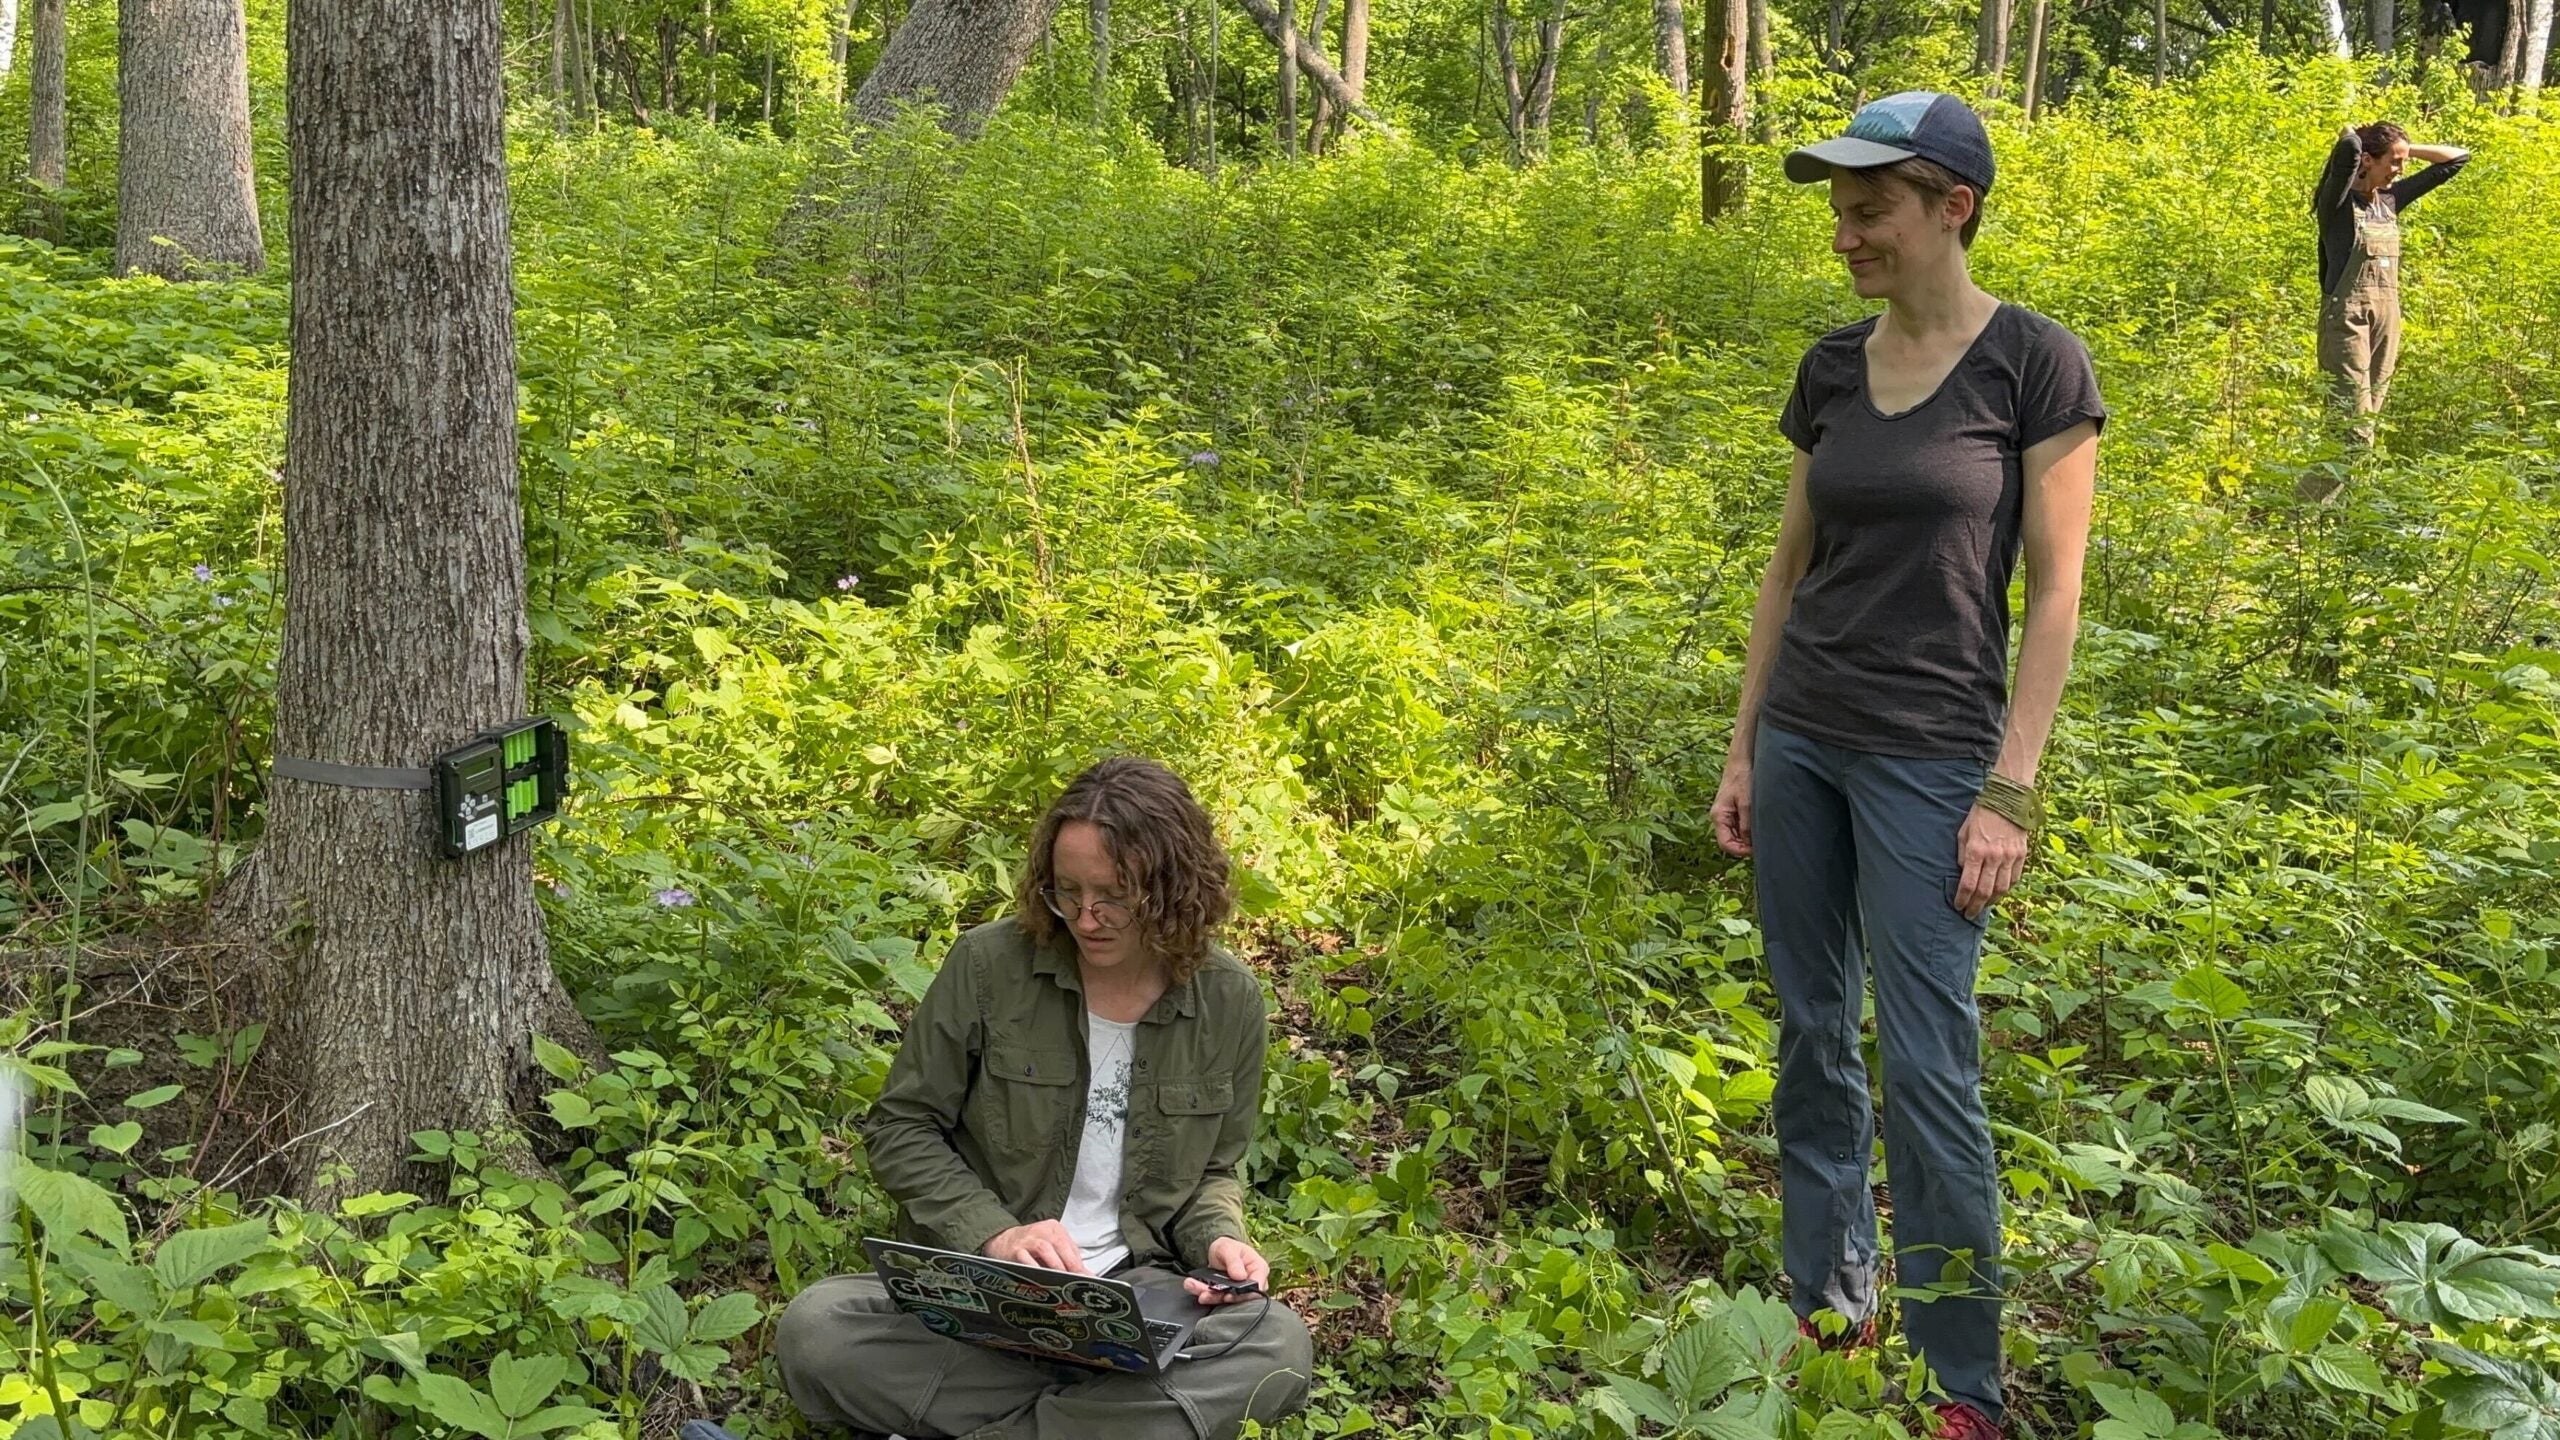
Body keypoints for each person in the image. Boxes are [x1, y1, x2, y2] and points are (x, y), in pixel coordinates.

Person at [1712, 92, 2105, 1440]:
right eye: (1838, 204)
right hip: (1805, 740)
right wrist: (1744, 748)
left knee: (1930, 1061)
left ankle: (1961, 1382)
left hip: (1934, 759)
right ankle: (1833, 1301)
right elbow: (1789, 570)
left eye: (1872, 205)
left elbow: (2054, 596)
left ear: (1956, 205)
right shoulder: (1830, 368)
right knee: (1814, 1034)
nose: (1847, 229)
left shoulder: (2035, 368)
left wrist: (2012, 786)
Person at [769, 757, 1314, 1439]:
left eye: (1114, 895)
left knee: (1280, 1349)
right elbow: (901, 1127)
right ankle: (1100, 1421)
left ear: (1174, 888)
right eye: (1067, 891)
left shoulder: (1229, 1000)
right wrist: (997, 1232)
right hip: (985, 1290)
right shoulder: (987, 964)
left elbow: (1212, 1173)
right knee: (817, 1330)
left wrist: (1222, 1242)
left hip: (1136, 1292)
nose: (1087, 918)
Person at [2312, 119, 2469, 454]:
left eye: (2403, 162)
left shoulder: (2389, 200)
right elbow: (2348, 152)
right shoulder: (2337, 204)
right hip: (2347, 323)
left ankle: (2344, 505)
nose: (2400, 169)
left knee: (2367, 425)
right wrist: (2351, 136)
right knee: (2352, 429)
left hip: (2386, 322)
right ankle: (2303, 506)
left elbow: (2457, 158)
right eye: (2393, 162)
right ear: (2367, 160)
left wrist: (2403, 148)